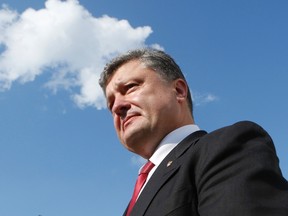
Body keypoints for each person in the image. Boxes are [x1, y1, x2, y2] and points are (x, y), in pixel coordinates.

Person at [99, 48, 288, 216]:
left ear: (179, 90)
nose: (117, 106)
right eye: (110, 104)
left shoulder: (227, 146)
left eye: (130, 87)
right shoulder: (134, 198)